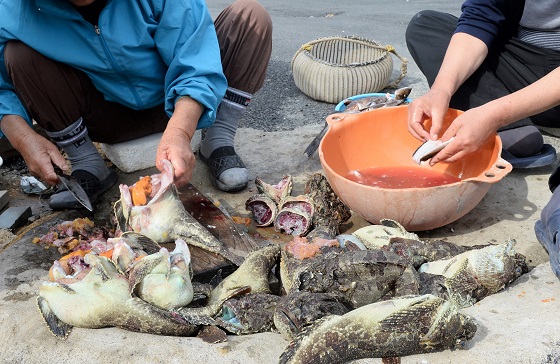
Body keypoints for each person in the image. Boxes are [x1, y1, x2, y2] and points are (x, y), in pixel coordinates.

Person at [0, 0, 272, 210]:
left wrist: (180, 131)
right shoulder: (11, 10)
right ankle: (86, 162)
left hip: (177, 104)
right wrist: (22, 138)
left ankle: (217, 140)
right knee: (18, 54)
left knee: (250, 17)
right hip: (105, 115)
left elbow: (195, 59)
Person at [405, 0, 560, 278]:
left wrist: (496, 115)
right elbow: (481, 17)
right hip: (524, 62)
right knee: (426, 26)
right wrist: (441, 90)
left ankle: (505, 120)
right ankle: (519, 131)